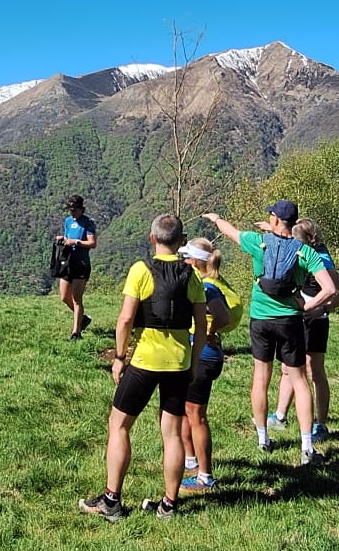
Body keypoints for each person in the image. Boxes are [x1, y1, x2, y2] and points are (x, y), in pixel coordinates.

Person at [79, 214, 208, 521]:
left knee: (119, 424)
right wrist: (193, 362)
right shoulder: (192, 276)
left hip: (144, 361)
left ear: (152, 239)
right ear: (181, 241)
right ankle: (169, 505)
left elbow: (125, 319)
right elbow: (201, 325)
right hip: (179, 362)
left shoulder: (141, 269)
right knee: (172, 434)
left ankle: (111, 501)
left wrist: (119, 357)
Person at [203, 199, 339, 466]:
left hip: (260, 320)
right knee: (299, 379)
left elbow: (231, 233)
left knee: (261, 377)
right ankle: (306, 446)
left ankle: (263, 439)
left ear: (275, 219)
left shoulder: (259, 242)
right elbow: (330, 289)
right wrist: (307, 306)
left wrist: (216, 218)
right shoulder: (305, 252)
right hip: (290, 321)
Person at [272, 218, 339, 442]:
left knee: (314, 371)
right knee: (288, 367)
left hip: (314, 320)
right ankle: (279, 416)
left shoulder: (322, 260)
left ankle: (321, 424)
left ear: (305, 240)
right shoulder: (306, 251)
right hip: (298, 317)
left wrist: (323, 309)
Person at [177, 238, 240, 494]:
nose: (182, 261)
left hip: (202, 355)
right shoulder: (208, 284)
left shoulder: (206, 287)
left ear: (194, 261)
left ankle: (205, 477)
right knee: (187, 410)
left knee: (196, 415)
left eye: (186, 257)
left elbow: (223, 316)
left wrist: (209, 332)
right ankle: (191, 462)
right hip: (206, 354)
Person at [54, 195, 98, 337]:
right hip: (68, 263)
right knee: (64, 296)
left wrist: (76, 242)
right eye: (70, 210)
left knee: (77, 298)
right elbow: (68, 237)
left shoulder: (88, 223)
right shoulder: (68, 221)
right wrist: (63, 239)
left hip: (81, 264)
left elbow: (92, 243)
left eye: (74, 210)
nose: (72, 213)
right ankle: (82, 318)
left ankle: (76, 332)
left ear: (80, 209)